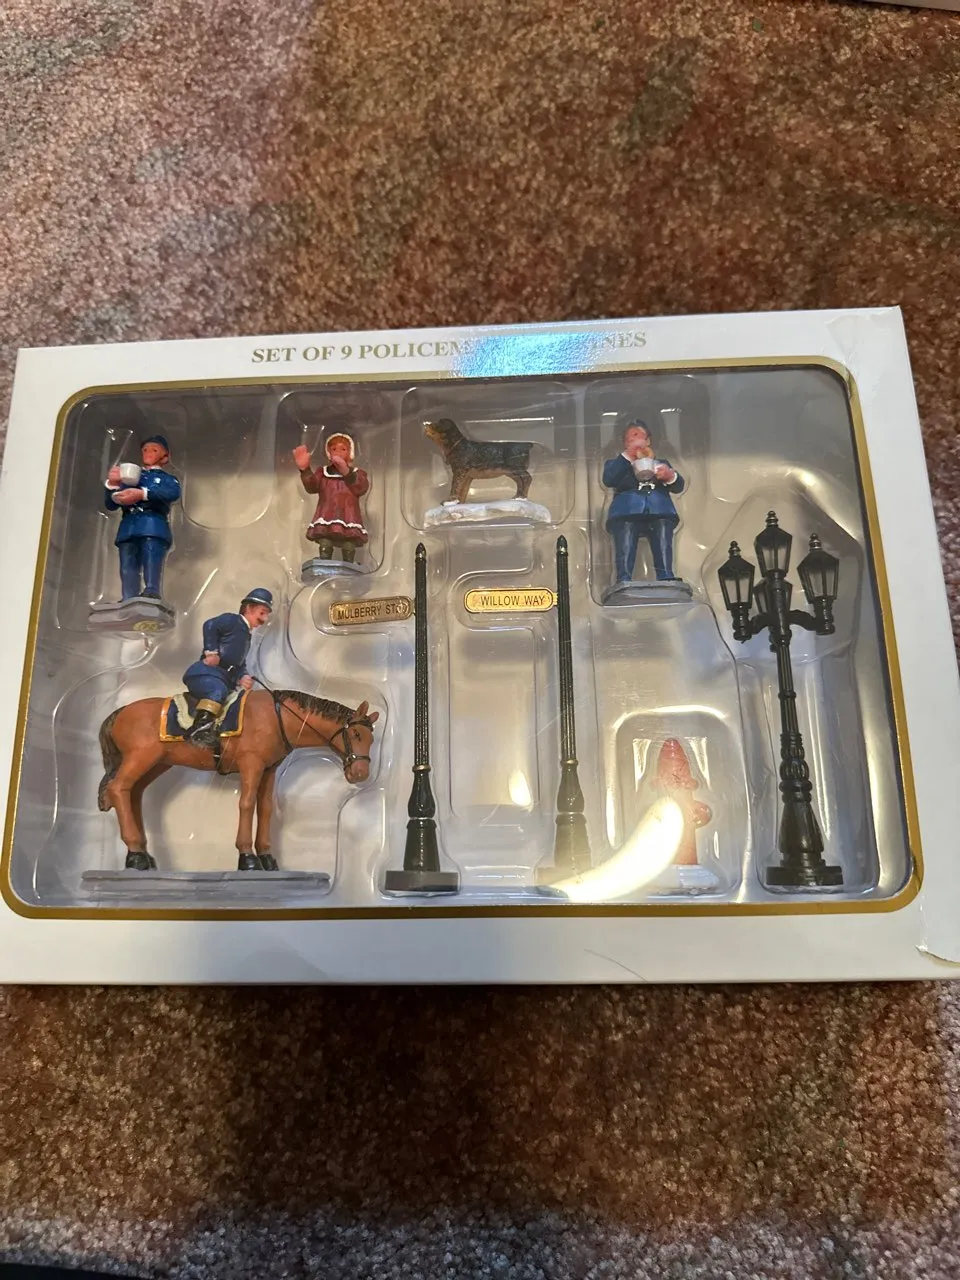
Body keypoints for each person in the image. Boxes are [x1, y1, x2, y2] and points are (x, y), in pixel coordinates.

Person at [181, 588, 273, 748]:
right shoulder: (233, 621)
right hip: (206, 674)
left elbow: (239, 663)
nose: (264, 619)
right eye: (262, 613)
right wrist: (211, 651)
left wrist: (242, 676)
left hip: (223, 677)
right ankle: (199, 729)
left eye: (266, 615)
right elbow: (209, 625)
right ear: (249, 608)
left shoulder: (246, 635)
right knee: (216, 691)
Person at [602, 420, 685, 584]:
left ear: (648, 441)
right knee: (625, 540)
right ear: (625, 444)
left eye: (639, 437)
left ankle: (666, 576)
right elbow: (609, 479)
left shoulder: (661, 464)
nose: (636, 442)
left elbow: (679, 486)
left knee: (663, 538)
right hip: (627, 511)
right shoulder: (618, 464)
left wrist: (670, 476)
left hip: (659, 509)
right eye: (631, 439)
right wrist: (628, 456)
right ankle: (623, 578)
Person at [104, 435, 181, 602]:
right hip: (128, 526)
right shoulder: (130, 479)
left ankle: (152, 591)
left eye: (154, 450)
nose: (148, 453)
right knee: (127, 564)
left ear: (165, 457)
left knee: (151, 560)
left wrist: (143, 494)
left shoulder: (167, 479)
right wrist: (112, 484)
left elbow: (172, 493)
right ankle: (128, 596)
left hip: (153, 525)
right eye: (145, 450)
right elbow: (110, 505)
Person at [293, 432, 369, 562]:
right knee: (325, 540)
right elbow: (311, 487)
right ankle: (324, 561)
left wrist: (346, 472)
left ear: (350, 452)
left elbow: (361, 487)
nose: (338, 452)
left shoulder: (357, 474)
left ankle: (348, 563)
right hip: (327, 514)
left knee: (349, 543)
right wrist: (305, 470)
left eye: (343, 449)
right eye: (334, 449)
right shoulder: (323, 473)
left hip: (348, 514)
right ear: (329, 452)